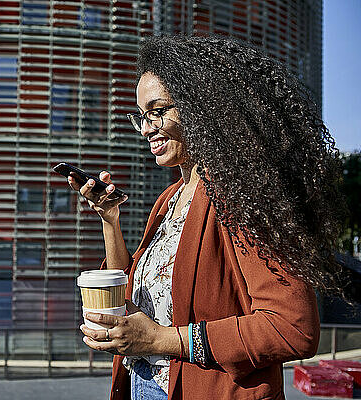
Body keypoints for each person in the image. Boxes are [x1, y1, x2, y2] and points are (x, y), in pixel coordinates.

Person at [66, 35, 346, 400]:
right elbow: (130, 293)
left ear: (199, 107)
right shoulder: (170, 199)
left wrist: (161, 339)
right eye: (141, 116)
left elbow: (293, 328)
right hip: (144, 385)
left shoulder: (242, 198)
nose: (147, 128)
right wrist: (109, 218)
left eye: (158, 111)